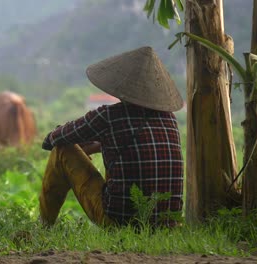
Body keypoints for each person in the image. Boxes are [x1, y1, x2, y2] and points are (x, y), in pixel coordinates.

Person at [39, 46, 184, 228]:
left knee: (62, 150)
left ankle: (44, 225)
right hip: (168, 224)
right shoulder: (170, 119)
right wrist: (100, 144)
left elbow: (52, 140)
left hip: (119, 222)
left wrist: (81, 144)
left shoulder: (109, 116)